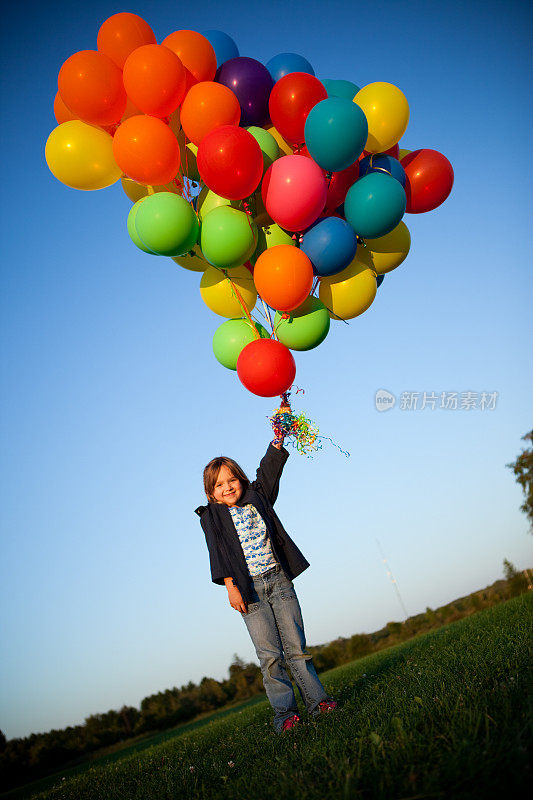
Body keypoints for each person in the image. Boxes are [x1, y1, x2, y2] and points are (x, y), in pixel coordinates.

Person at [195, 401, 337, 733]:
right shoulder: (211, 516)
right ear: (211, 492)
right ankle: (285, 717)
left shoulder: (258, 496)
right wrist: (230, 586)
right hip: (249, 592)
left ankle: (319, 704)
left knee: (297, 650)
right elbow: (217, 553)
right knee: (271, 658)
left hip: (279, 580)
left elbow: (270, 467)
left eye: (231, 479)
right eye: (219, 484)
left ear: (240, 480)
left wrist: (279, 432)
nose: (227, 487)